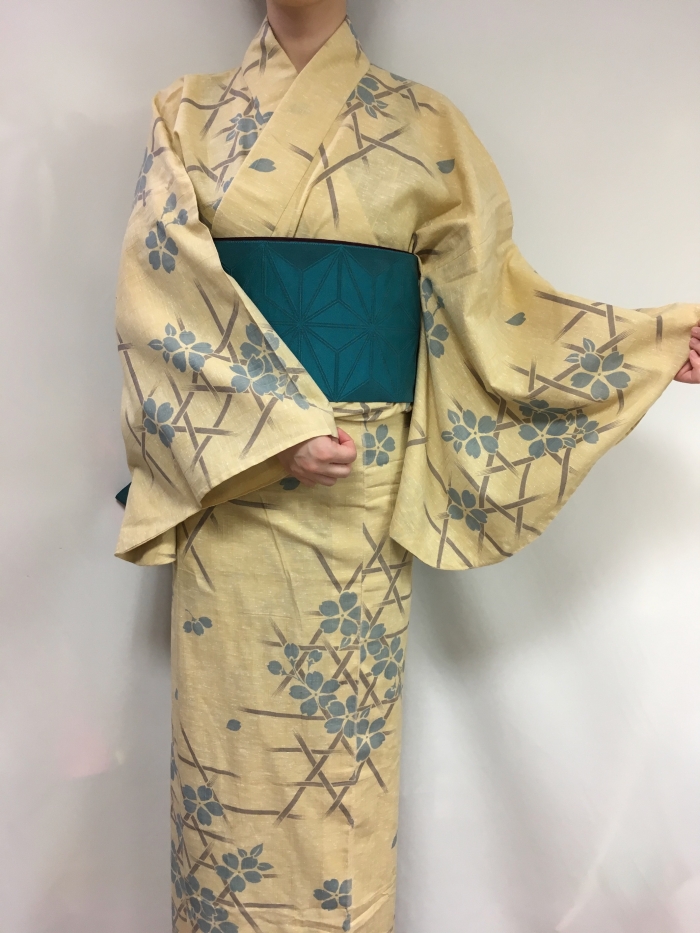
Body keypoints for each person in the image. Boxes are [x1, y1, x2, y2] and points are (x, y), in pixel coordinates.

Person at [114, 1, 699, 930]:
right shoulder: (185, 114)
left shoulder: (425, 127)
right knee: (229, 775)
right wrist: (275, 427)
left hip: (359, 503)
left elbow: (498, 312)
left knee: (342, 784)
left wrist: (641, 344)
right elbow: (160, 300)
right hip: (236, 493)